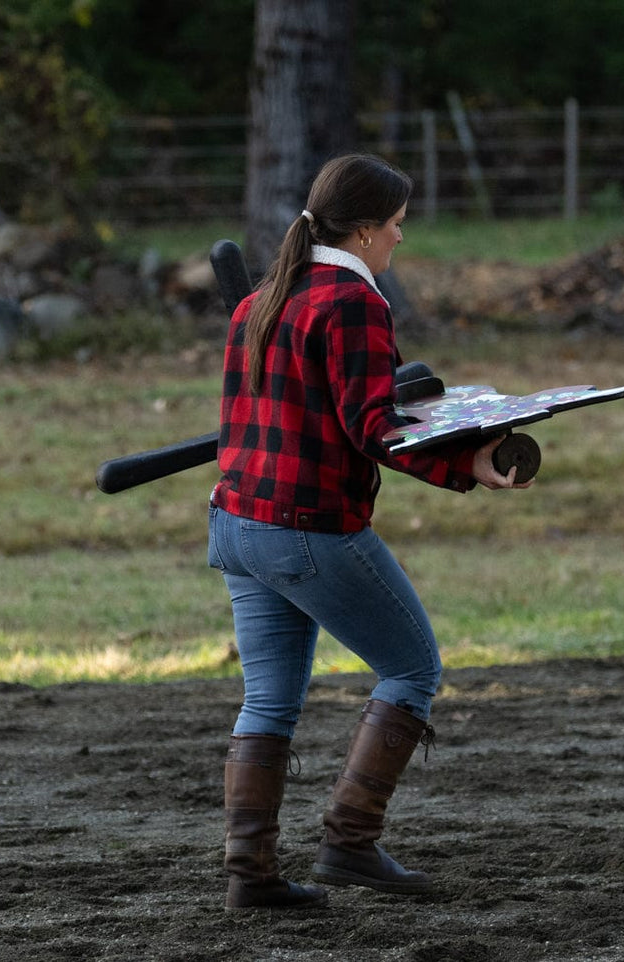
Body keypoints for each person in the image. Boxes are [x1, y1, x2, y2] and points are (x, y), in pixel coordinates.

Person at [208, 153, 531, 910]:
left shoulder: (261, 299)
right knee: (412, 669)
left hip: (237, 522)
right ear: (359, 232)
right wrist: (472, 461)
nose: (397, 241)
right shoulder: (352, 302)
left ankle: (249, 876)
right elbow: (373, 432)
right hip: (306, 527)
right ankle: (349, 846)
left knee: (268, 699)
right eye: (393, 227)